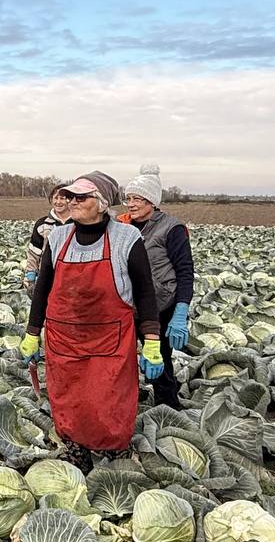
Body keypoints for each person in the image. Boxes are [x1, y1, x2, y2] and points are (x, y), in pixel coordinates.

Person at [19, 170, 165, 469]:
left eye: (80, 196)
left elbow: (145, 293)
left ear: (100, 203)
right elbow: (43, 289)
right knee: (68, 398)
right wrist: (33, 333)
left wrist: (151, 340)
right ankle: (76, 449)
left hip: (110, 339)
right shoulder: (58, 236)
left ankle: (114, 450)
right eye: (69, 195)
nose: (71, 201)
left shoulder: (127, 238)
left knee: (110, 398)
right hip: (64, 339)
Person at [120, 163, 194, 410]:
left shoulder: (172, 229)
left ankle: (168, 408)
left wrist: (181, 311)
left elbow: (185, 272)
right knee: (122, 359)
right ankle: (126, 402)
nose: (131, 204)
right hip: (129, 304)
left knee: (159, 358)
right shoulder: (123, 227)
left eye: (137, 199)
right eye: (128, 198)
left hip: (161, 306)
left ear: (152, 201)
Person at [24, 184, 71, 291]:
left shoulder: (78, 223)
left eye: (62, 198)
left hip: (71, 277)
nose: (58, 202)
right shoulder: (42, 224)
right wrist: (31, 277)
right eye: (55, 198)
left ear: (70, 200)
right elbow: (33, 252)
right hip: (46, 276)